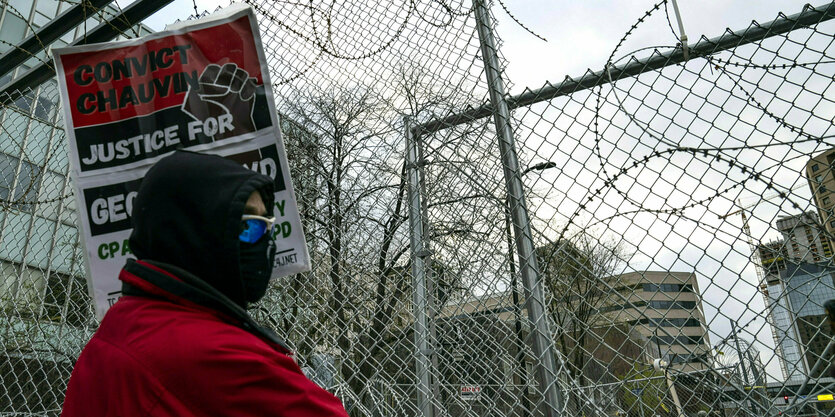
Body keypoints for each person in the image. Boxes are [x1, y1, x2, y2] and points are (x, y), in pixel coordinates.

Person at [61, 150, 348, 417]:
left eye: (267, 226)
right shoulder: (219, 355)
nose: (264, 243)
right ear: (193, 230)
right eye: (249, 226)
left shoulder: (124, 324)